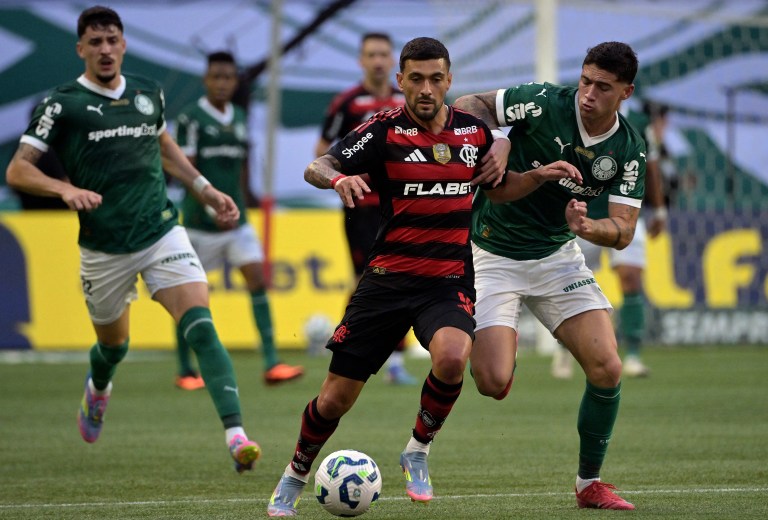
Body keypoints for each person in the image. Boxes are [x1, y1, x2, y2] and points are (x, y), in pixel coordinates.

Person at [266, 36, 579, 517]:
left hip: (446, 281)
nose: (426, 88)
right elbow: (318, 164)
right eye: (416, 79)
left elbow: (496, 191)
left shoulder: (474, 135)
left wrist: (534, 177)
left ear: (449, 80)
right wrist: (339, 178)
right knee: (334, 400)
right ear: (401, 82)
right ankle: (296, 472)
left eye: (436, 78)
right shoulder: (384, 131)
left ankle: (417, 449)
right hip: (387, 281)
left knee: (453, 357)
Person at [5, 5, 261, 473]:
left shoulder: (148, 93)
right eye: (95, 42)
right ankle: (99, 388)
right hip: (104, 248)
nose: (105, 50)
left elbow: (164, 147)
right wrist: (65, 188)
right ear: (80, 49)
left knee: (201, 323)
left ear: (123, 44)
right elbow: (17, 169)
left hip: (161, 231)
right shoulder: (62, 103)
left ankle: (236, 434)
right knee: (114, 345)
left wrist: (204, 190)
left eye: (112, 40)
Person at [454, 41, 646, 510]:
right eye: (585, 81)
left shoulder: (629, 149)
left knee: (608, 367)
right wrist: (497, 140)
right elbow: (465, 105)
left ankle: (589, 483)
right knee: (492, 382)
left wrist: (586, 228)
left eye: (603, 87)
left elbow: (622, 232)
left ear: (626, 92)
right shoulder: (542, 101)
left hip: (556, 257)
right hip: (491, 252)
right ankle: (498, 355)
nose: (588, 94)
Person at [172, 51, 303, 390]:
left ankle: (272, 363)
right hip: (201, 223)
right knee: (188, 296)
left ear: (235, 81)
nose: (221, 83)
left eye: (227, 77)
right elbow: (186, 170)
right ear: (206, 80)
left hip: (238, 221)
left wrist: (245, 201)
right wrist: (212, 205)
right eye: (215, 76)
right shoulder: (191, 118)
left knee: (258, 279)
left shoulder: (241, 116)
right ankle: (186, 370)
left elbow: (242, 165)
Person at [314, 32, 416, 385]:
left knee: (404, 278)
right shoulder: (347, 104)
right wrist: (343, 179)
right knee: (367, 281)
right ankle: (351, 349)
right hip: (362, 208)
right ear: (361, 60)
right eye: (371, 54)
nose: (377, 61)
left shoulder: (407, 103)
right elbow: (323, 151)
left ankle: (396, 363)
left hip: (403, 206)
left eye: (383, 54)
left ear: (393, 62)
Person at [553, 100, 670, 379]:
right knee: (568, 286)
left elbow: (650, 166)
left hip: (626, 217)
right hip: (584, 215)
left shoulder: (640, 124)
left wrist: (660, 209)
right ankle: (564, 351)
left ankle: (632, 355)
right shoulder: (578, 116)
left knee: (631, 278)